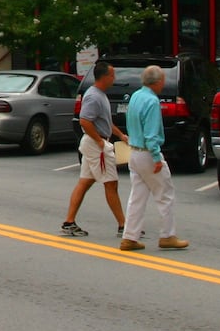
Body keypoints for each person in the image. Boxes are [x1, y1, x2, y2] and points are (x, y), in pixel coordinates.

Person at [120, 64, 189, 252]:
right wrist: (157, 157)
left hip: (134, 150)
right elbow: (151, 134)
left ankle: (129, 237)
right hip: (147, 153)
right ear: (158, 82)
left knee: (137, 197)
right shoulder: (151, 102)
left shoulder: (135, 96)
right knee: (165, 194)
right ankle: (167, 235)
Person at [61, 61, 129, 237]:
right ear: (104, 77)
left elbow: (105, 122)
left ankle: (69, 222)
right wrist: (99, 141)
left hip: (94, 143)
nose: (114, 78)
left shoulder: (100, 95)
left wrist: (120, 135)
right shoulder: (93, 96)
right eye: (112, 75)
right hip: (95, 145)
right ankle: (124, 226)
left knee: (85, 182)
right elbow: (84, 120)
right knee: (111, 183)